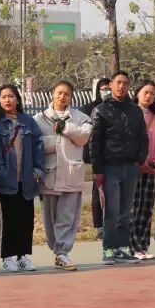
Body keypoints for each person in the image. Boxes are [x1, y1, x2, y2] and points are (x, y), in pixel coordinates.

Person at [89, 71, 148, 264]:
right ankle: (108, 249)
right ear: (111, 85)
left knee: (126, 210)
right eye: (118, 82)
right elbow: (94, 143)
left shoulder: (135, 111)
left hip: (131, 166)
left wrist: (140, 159)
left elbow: (143, 137)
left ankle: (123, 248)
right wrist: (97, 170)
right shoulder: (100, 110)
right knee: (112, 210)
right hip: (110, 167)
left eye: (125, 83)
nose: (121, 86)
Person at [0, 85, 46, 273]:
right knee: (8, 220)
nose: (7, 100)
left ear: (17, 99)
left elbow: (39, 146)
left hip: (27, 180)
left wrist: (37, 171)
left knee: (25, 220)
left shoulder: (28, 122)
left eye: (11, 96)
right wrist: (1, 173)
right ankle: (7, 256)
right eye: (3, 97)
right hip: (6, 181)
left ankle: (23, 256)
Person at [33, 80, 92, 271]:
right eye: (59, 93)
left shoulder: (81, 118)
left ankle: (62, 252)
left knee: (67, 216)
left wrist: (65, 128)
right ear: (52, 93)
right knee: (49, 218)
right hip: (49, 174)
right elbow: (35, 143)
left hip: (71, 174)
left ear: (71, 97)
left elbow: (83, 137)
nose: (62, 97)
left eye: (66, 94)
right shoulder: (39, 119)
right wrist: (57, 143)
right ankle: (56, 249)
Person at [129, 80, 155, 261]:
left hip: (151, 170)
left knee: (146, 208)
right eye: (146, 92)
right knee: (133, 208)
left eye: (153, 94)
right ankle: (132, 246)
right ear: (137, 93)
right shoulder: (129, 114)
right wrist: (139, 161)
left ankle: (143, 246)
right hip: (134, 167)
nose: (149, 96)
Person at [81, 78, 112, 240]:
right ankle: (99, 226)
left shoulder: (117, 107)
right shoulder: (89, 109)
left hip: (114, 156)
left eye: (109, 88)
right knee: (97, 191)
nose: (107, 91)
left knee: (114, 191)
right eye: (104, 88)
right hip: (96, 157)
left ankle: (113, 224)